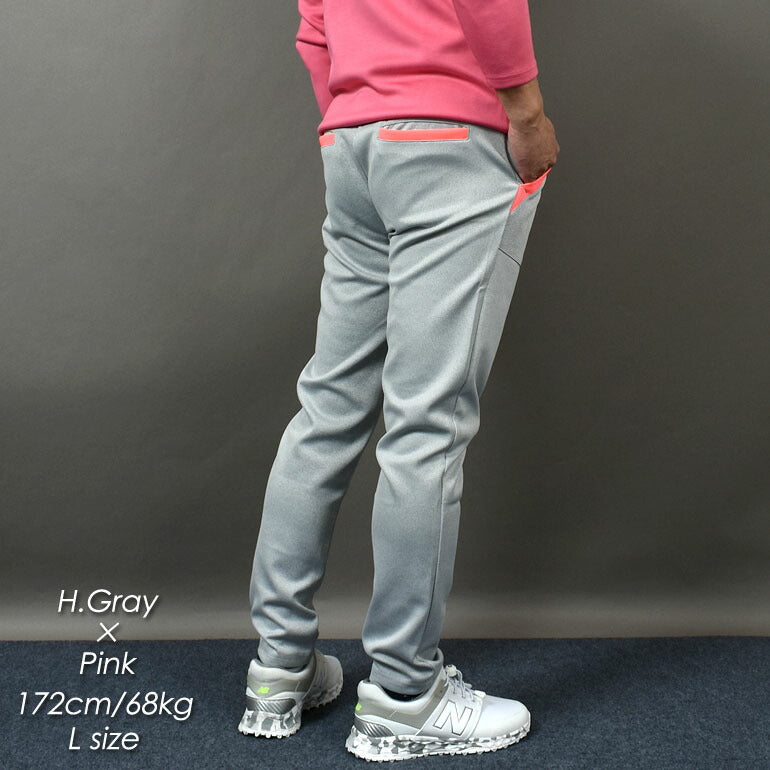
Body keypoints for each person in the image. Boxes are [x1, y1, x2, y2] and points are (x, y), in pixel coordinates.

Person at [238, 0, 559, 760]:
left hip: (354, 143)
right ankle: (406, 696)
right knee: (427, 427)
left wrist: (360, 116)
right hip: (451, 141)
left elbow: (315, 26)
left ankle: (278, 669)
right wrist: (527, 114)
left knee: (327, 410)